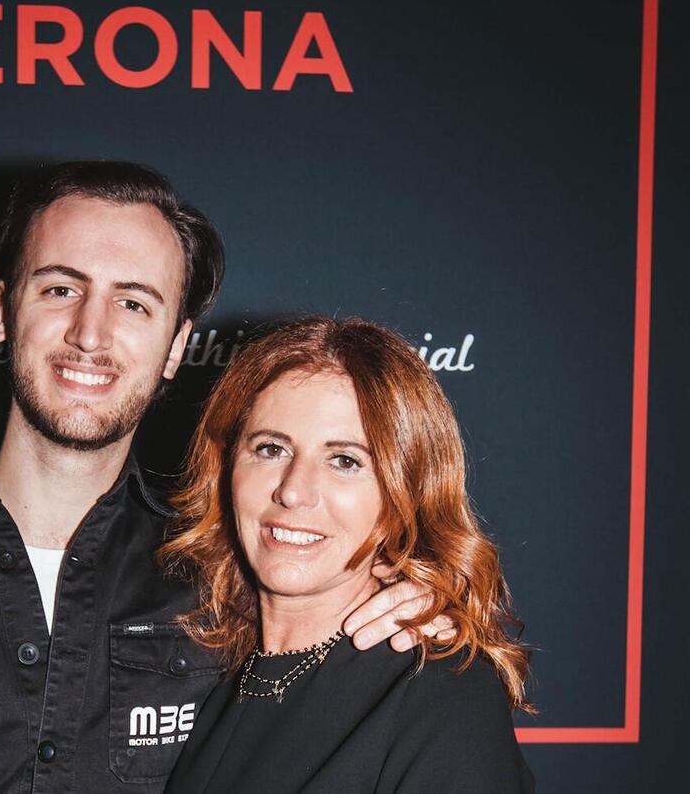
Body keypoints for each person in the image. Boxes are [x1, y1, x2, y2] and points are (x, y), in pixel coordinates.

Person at [0, 163, 449, 793]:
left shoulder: (226, 574)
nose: (90, 334)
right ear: (2, 311)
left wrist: (411, 602)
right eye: (61, 289)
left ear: (175, 346)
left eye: (133, 302)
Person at [161, 317, 534, 793]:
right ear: (227, 466)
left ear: (404, 493)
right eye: (271, 449)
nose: (294, 492)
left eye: (344, 461)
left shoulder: (440, 696)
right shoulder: (210, 674)